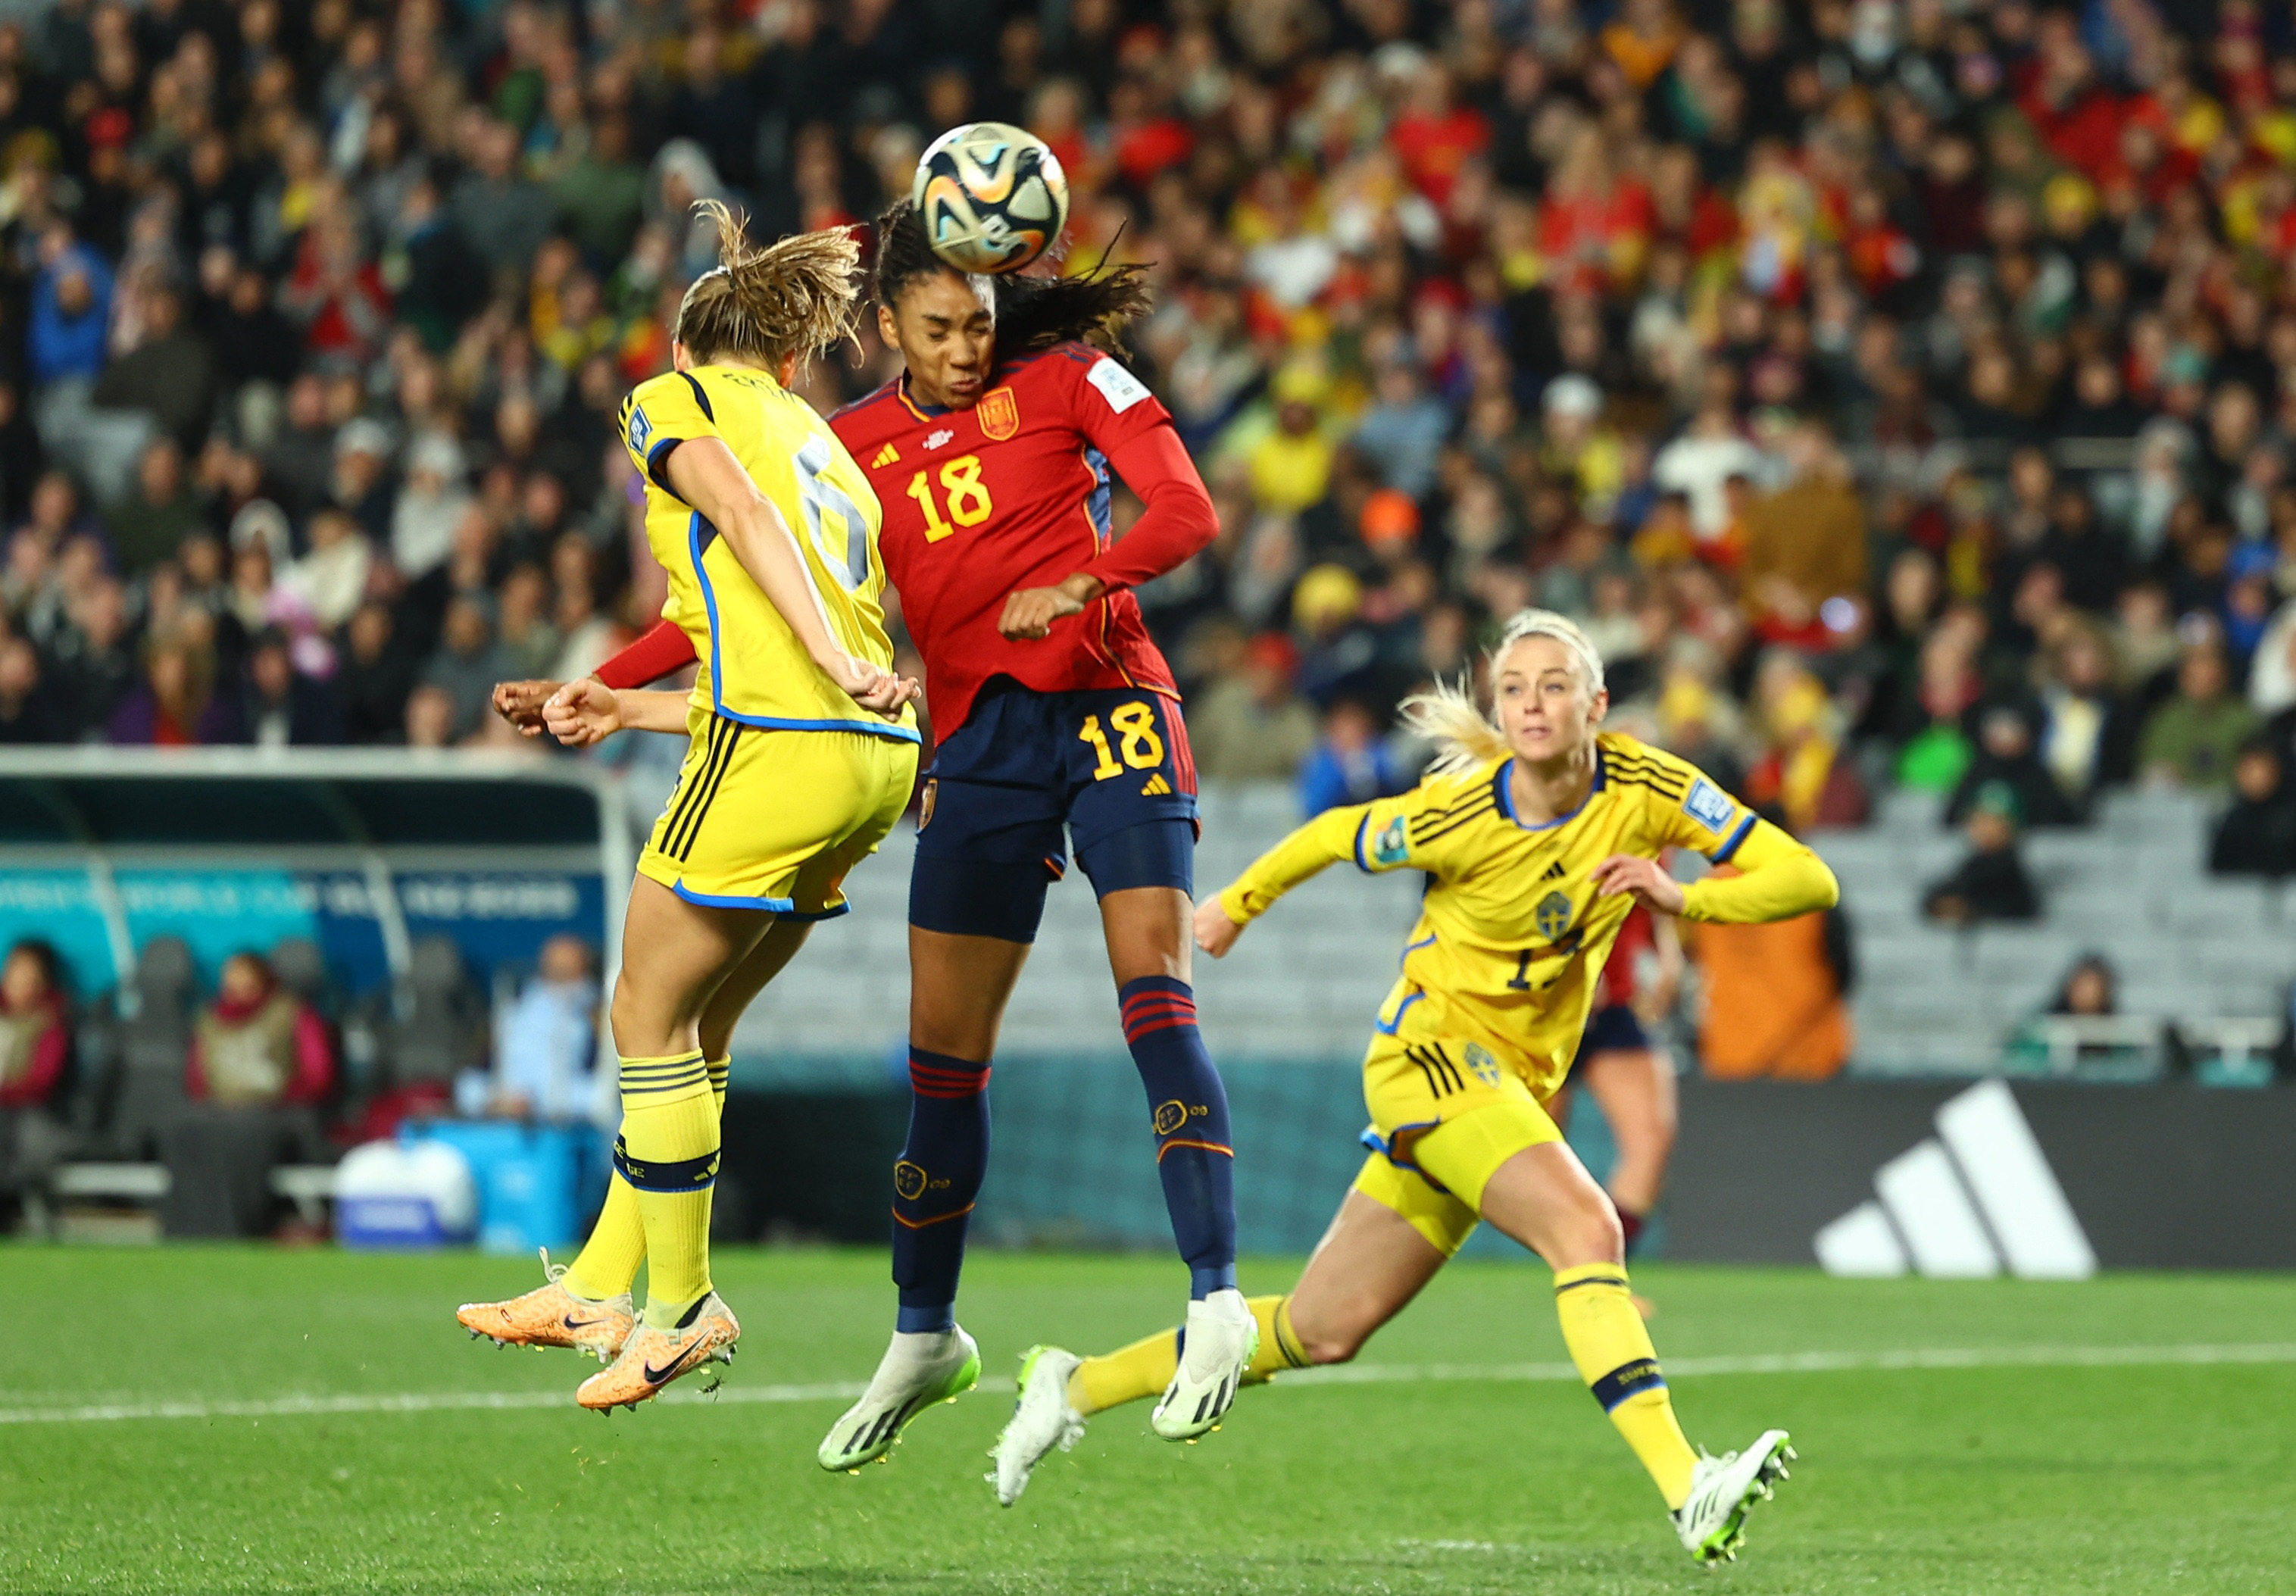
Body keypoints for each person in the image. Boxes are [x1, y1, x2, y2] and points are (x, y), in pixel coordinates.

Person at [499, 201, 1245, 1460]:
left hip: (1111, 705)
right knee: (942, 1062)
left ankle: (1213, 1293)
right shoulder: (844, 447)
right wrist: (611, 678)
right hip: (971, 749)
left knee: (1153, 996)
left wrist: (1089, 579)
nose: (968, 348)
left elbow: (1186, 514)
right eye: (943, 326)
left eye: (983, 323)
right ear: (888, 322)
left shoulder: (1071, 379)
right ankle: (922, 1336)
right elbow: (749, 595)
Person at [989, 611, 1837, 1565]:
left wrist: (1687, 897)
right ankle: (1689, 1486)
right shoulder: (1464, 815)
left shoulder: (1649, 788)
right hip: (1429, 1060)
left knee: (1321, 1328)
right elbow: (1333, 833)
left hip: (1501, 1081)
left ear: (1597, 705)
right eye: (1514, 687)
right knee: (1587, 1230)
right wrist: (1232, 906)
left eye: (1555, 685)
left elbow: (1807, 877)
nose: (1532, 703)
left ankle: (1069, 1384)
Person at [452, 205, 923, 1413]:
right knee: (694, 1031)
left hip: (787, 737)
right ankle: (601, 1286)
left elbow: (748, 536)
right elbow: (731, 628)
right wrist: (610, 696)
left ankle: (682, 1302)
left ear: (686, 346)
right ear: (779, 353)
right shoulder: (818, 438)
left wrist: (824, 660)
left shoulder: (670, 401)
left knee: (639, 1009)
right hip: (867, 759)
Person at [1555, 902, 1682, 1257]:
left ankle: (1601, 1267)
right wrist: (1572, 963)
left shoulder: (1658, 846)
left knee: (1651, 1140)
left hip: (1615, 1002)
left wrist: (1668, 953)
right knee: (1525, 1147)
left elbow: (1651, 889)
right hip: (1542, 997)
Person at [1923, 782, 2041, 924]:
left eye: (1995, 821)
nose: (1985, 828)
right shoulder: (1971, 865)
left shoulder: (2012, 873)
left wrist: (1968, 909)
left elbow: (2017, 908)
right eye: (1979, 819)